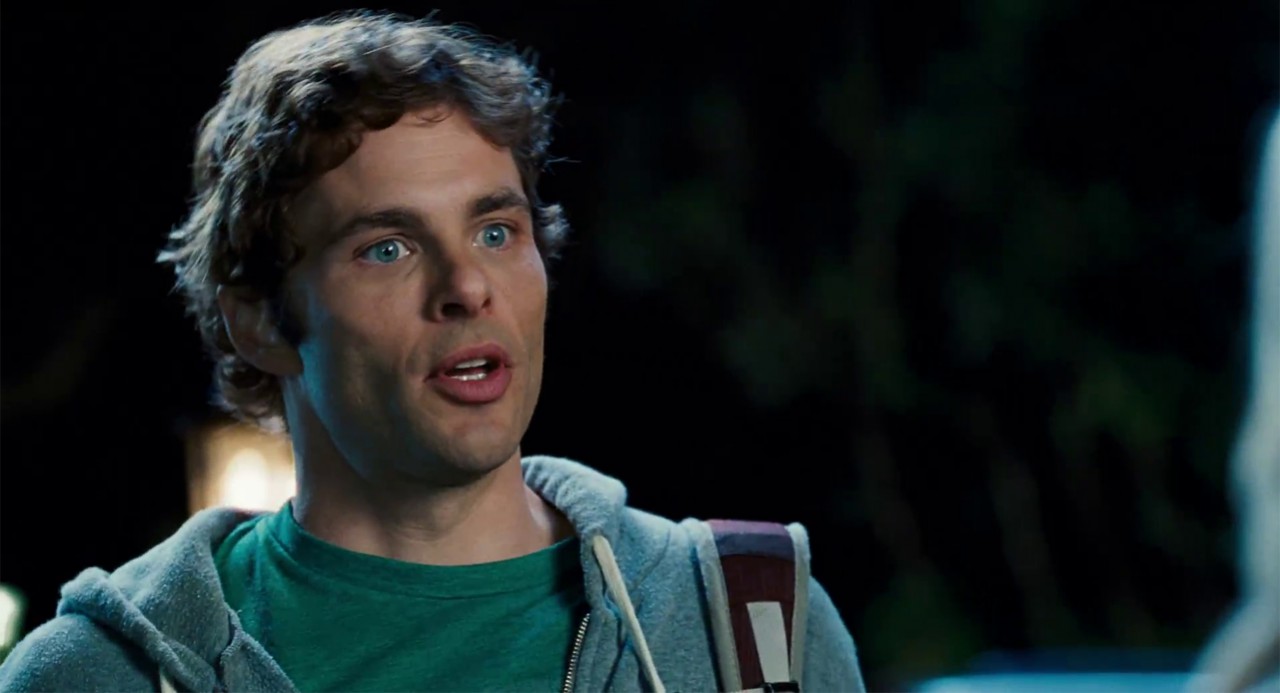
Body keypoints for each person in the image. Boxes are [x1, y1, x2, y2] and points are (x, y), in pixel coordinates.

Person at [0, 11, 865, 692]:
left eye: (496, 230)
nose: (467, 285)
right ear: (258, 323)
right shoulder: (99, 672)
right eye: (388, 247)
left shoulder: (752, 624)